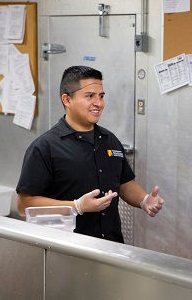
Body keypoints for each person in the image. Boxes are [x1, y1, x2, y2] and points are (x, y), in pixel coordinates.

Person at [16, 66, 164, 243]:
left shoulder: (110, 140)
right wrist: (76, 207)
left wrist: (144, 200)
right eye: (89, 96)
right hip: (67, 249)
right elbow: (24, 205)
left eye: (101, 96)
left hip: (111, 245)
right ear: (67, 100)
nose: (98, 103)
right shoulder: (44, 147)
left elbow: (124, 183)